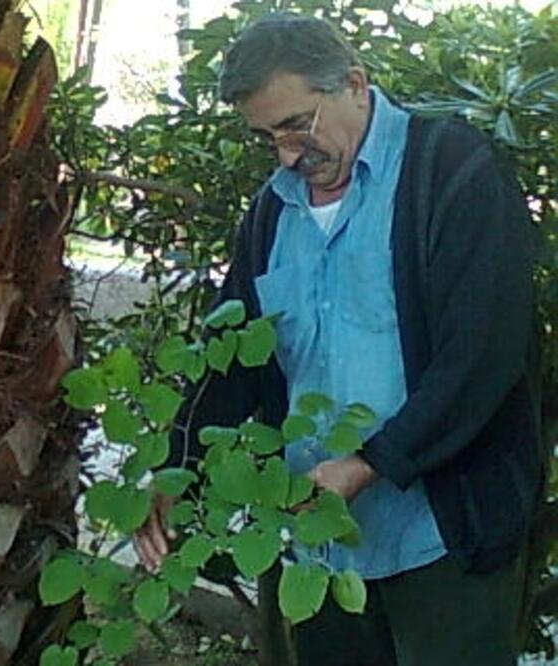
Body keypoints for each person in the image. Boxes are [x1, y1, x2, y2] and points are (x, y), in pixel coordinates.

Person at [131, 13, 544, 666]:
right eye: (268, 136)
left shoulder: (452, 174)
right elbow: (230, 355)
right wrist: (178, 467)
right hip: (314, 544)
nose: (289, 154)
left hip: (441, 539)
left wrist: (369, 463)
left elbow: (482, 359)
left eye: (298, 125)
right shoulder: (273, 211)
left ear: (354, 84)